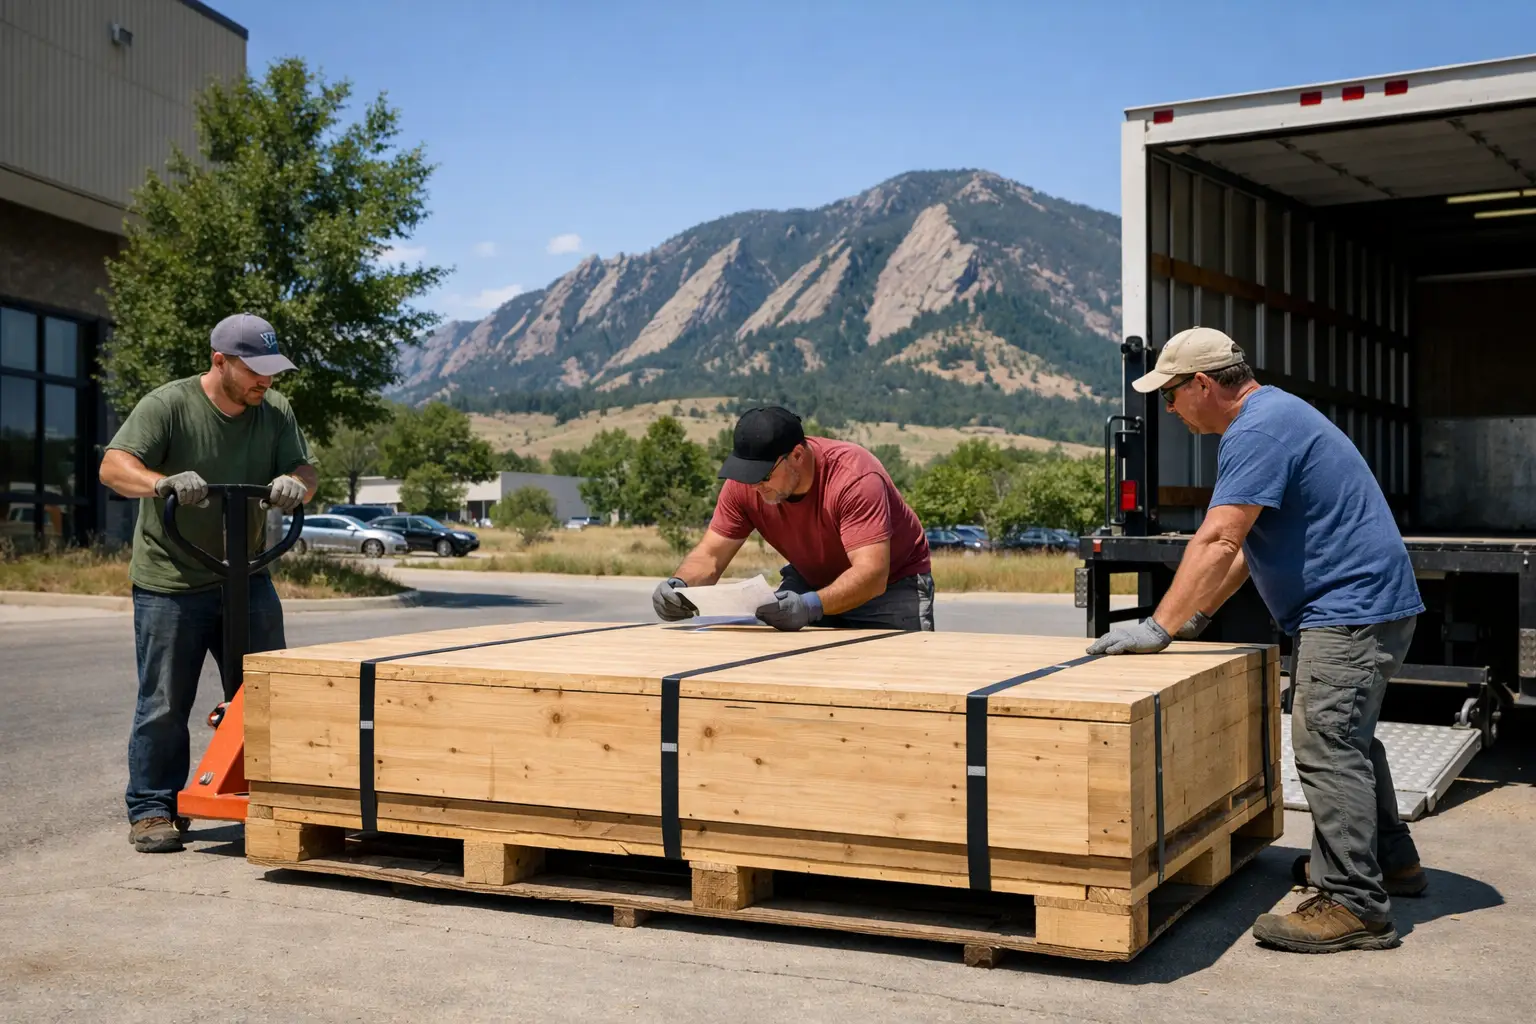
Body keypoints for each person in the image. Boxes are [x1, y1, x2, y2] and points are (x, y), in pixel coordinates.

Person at [1085, 326, 1426, 954]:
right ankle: (1389, 863)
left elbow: (1217, 539)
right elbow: (1242, 551)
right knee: (1348, 735)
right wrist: (1193, 620)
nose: (1168, 409)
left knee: (1325, 741)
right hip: (1363, 604)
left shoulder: (1257, 431)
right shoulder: (1271, 419)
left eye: (1172, 394)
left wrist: (1159, 627)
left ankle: (1355, 904)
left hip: (1349, 608)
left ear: (1204, 385)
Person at [99, 313, 319, 854]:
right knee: (164, 702)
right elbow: (112, 466)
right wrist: (162, 483)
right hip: (172, 577)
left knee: (267, 693)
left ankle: (268, 800)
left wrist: (297, 484)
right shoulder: (168, 405)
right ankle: (153, 807)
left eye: (272, 371)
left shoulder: (275, 411)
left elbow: (305, 469)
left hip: (248, 575)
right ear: (220, 361)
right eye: (254, 371)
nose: (265, 382)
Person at [652, 407, 934, 632]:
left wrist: (809, 606)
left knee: (898, 684)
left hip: (891, 586)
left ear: (797, 455)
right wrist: (680, 586)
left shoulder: (854, 478)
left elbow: (872, 575)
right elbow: (711, 556)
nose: (754, 487)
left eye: (763, 476)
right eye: (746, 476)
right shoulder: (747, 484)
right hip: (810, 580)